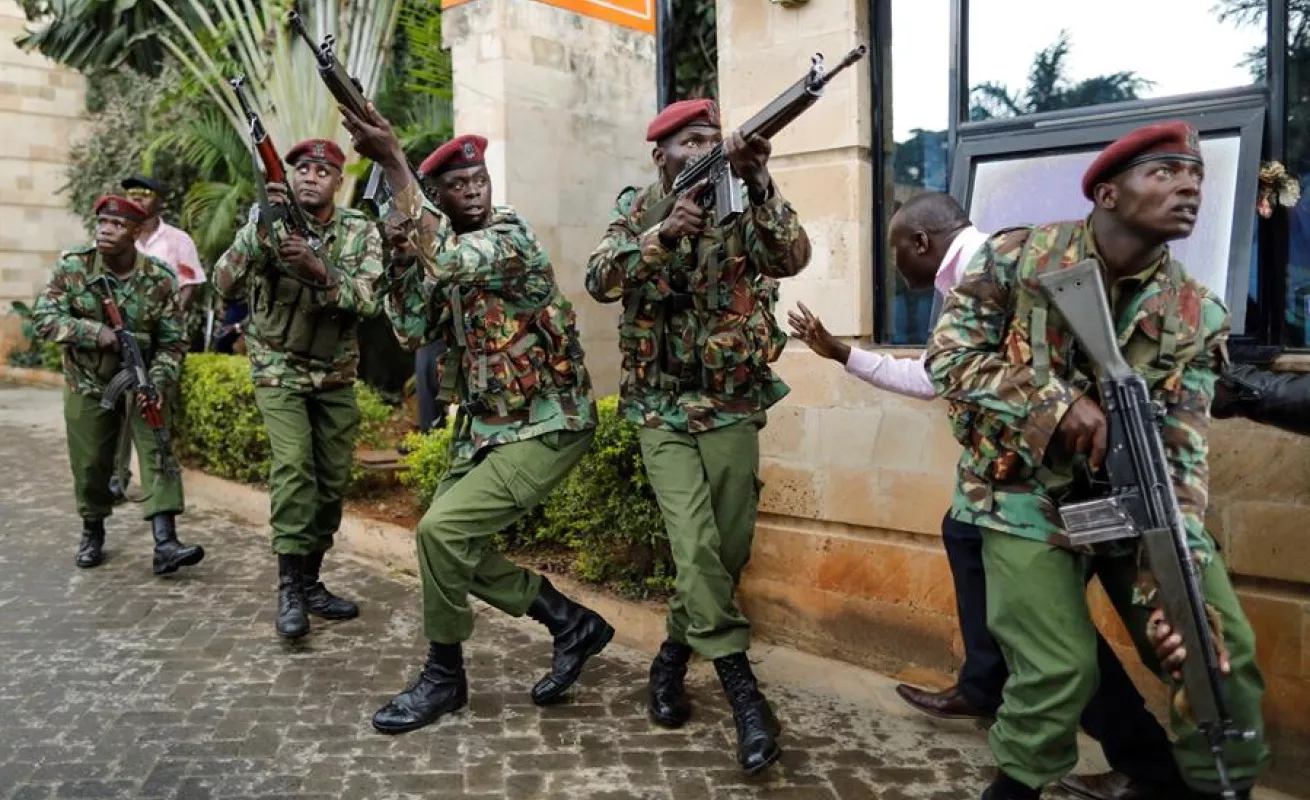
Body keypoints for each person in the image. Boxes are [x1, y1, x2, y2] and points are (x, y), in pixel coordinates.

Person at [788, 192, 1183, 800]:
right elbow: (940, 372)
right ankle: (991, 682)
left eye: (895, 254)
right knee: (976, 550)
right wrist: (844, 354)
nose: (896, 272)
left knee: (1054, 643)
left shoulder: (995, 268)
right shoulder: (968, 279)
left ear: (921, 242)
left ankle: (1138, 760)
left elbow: (953, 372)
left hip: (1044, 491)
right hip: (1001, 488)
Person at [925, 121, 1269, 799]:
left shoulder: (1197, 314)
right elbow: (949, 356)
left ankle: (1214, 783)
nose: (1189, 185)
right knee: (1057, 671)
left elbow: (1185, 446)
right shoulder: (1019, 258)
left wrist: (1180, 575)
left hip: (1139, 499)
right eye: (1165, 172)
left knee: (1217, 652)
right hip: (1023, 494)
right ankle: (1017, 786)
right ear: (1108, 194)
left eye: (1195, 174)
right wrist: (1055, 404)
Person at [339, 108, 614, 735]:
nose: (473, 190)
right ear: (438, 196)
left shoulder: (507, 239)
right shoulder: (442, 251)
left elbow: (455, 260)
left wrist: (393, 164)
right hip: (488, 426)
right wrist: (398, 249)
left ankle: (445, 679)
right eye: (457, 186)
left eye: (478, 179)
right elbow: (412, 327)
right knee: (442, 543)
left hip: (548, 421)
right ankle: (571, 623)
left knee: (440, 533)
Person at [585, 98, 811, 775]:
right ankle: (744, 693)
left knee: (729, 545)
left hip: (731, 401)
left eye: (712, 138)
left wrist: (763, 180)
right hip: (661, 408)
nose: (704, 149)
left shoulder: (742, 201)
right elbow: (599, 279)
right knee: (694, 543)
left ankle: (673, 655)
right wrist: (660, 235)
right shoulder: (639, 205)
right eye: (690, 141)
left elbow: (792, 256)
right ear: (662, 155)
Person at [212, 138, 382, 640]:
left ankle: (309, 581)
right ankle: (289, 589)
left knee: (330, 482)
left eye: (322, 170)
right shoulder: (266, 223)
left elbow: (370, 302)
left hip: (334, 373)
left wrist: (320, 270)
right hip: (277, 368)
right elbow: (223, 284)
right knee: (293, 466)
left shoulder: (358, 232)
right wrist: (257, 229)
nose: (310, 177)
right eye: (301, 170)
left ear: (338, 180)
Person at [32, 195, 205, 575]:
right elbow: (44, 318)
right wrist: (96, 333)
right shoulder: (75, 265)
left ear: (137, 232)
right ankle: (92, 529)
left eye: (117, 224)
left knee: (158, 448)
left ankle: (166, 542)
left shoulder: (159, 277)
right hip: (89, 381)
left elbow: (174, 341)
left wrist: (157, 381)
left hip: (143, 379)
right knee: (92, 462)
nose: (106, 230)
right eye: (102, 223)